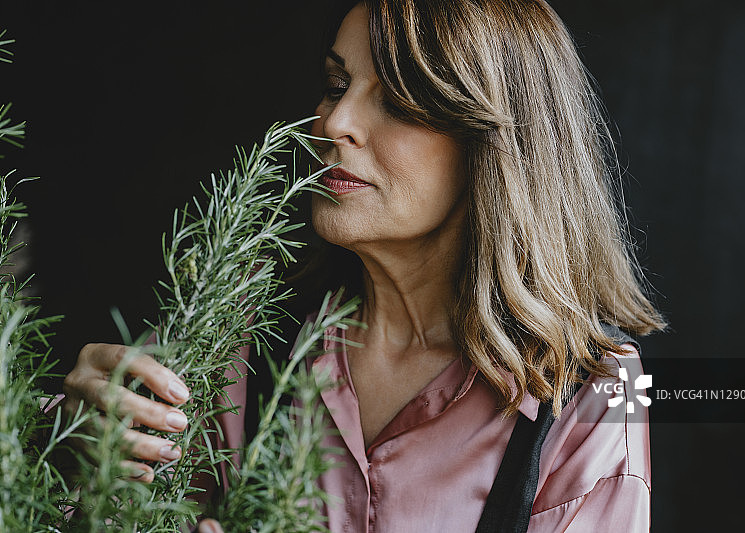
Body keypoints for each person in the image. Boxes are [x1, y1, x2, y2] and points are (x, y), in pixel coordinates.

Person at [62, 1, 665, 532]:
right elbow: (107, 508)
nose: (334, 122)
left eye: (398, 101)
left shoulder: (588, 393)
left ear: (494, 146)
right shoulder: (246, 329)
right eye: (335, 83)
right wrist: (77, 455)